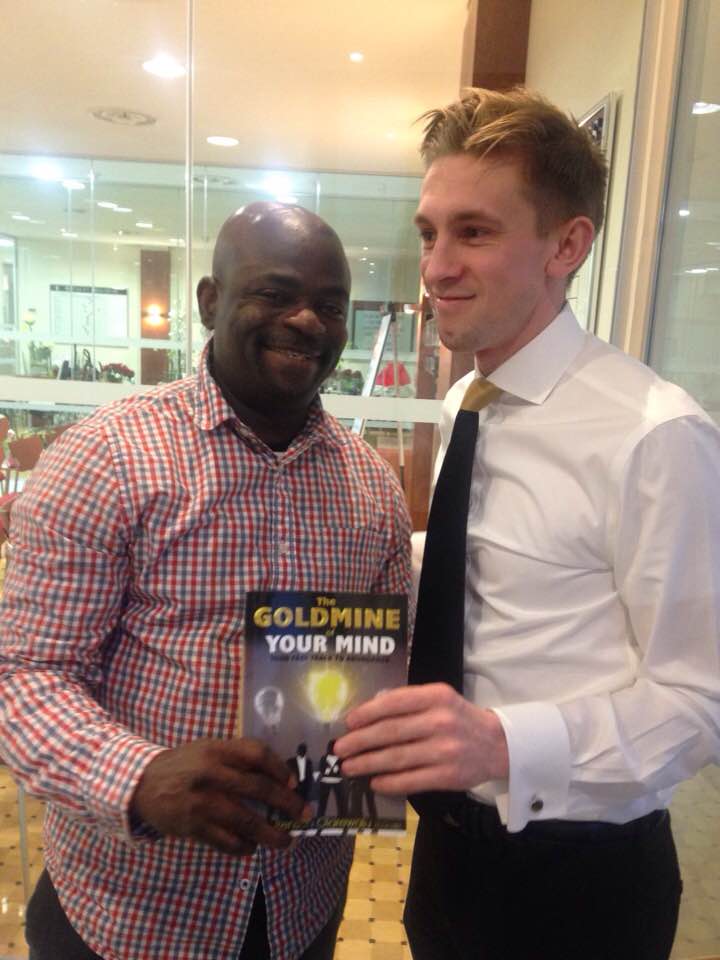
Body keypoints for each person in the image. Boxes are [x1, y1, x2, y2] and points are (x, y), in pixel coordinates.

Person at [335, 87, 720, 960]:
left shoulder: (655, 435)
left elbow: (700, 702)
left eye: (474, 232)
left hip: (580, 880)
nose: (436, 268)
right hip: (449, 855)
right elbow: (489, 569)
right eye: (429, 232)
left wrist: (504, 744)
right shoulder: (468, 403)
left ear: (566, 245)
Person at [0, 201, 411, 960]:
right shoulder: (106, 458)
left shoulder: (372, 490)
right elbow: (24, 676)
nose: (306, 321)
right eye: (275, 293)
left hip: (302, 907)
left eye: (330, 306)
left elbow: (380, 679)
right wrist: (138, 777)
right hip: (131, 917)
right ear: (210, 301)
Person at [316, 740, 346, 818]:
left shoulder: (339, 759)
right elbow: (321, 769)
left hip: (337, 781)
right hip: (326, 781)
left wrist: (335, 770)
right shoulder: (324, 758)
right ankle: (320, 817)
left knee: (340, 801)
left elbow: (342, 769)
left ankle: (342, 817)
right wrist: (329, 770)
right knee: (323, 802)